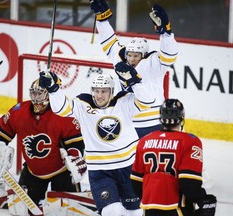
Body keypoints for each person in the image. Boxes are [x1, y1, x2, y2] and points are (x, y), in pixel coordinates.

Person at [38, 71, 151, 216]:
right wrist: (54, 90)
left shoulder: (124, 101)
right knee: (112, 211)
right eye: (96, 91)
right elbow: (61, 109)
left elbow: (148, 101)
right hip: (100, 171)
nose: (99, 95)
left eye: (104, 91)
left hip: (129, 168)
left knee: (135, 212)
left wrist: (136, 82)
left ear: (111, 92)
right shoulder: (83, 104)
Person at [0, 79, 86, 214]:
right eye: (33, 94)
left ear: (48, 95)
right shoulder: (19, 111)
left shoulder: (62, 114)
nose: (35, 98)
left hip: (62, 172)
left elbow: (75, 142)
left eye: (39, 94)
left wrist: (75, 158)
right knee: (19, 209)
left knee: (69, 211)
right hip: (33, 172)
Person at [90, 1, 178, 138]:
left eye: (136, 56)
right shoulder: (120, 59)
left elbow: (170, 54)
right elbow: (109, 42)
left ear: (143, 55)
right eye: (129, 55)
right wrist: (102, 19)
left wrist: (166, 33)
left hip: (154, 122)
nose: (131, 59)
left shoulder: (154, 63)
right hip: (127, 122)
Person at [131, 98, 217, 216]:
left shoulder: (145, 141)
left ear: (161, 118)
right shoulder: (190, 141)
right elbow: (188, 182)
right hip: (176, 208)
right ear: (181, 118)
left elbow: (136, 181)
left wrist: (153, 197)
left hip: (148, 208)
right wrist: (203, 199)